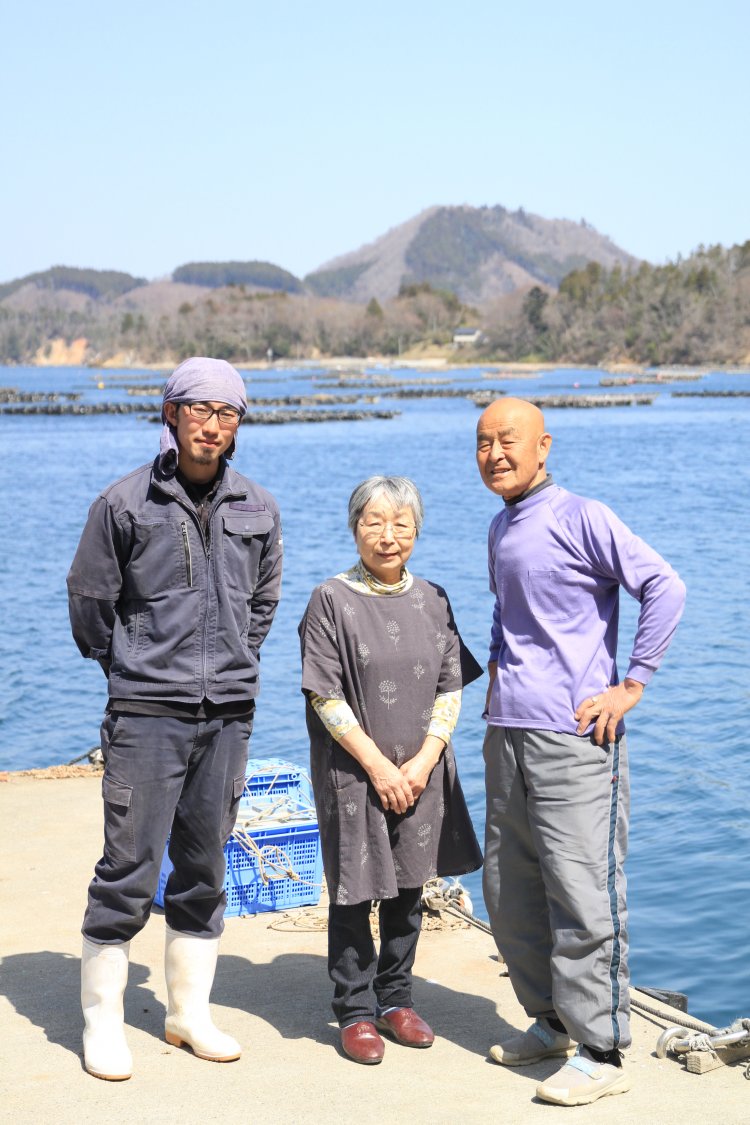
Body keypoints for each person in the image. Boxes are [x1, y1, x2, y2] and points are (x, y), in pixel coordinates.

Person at [67, 356, 282, 1081]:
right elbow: (89, 602)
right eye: (199, 409)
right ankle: (102, 1019)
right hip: (145, 714)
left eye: (227, 413)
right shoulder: (124, 503)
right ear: (171, 414)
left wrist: (234, 660)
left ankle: (188, 1013)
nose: (212, 424)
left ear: (238, 425)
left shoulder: (258, 504)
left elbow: (264, 600)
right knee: (127, 868)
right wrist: (131, 666)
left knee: (204, 864)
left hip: (226, 715)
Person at [476, 397, 686, 1106]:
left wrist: (631, 684)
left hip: (576, 737)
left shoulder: (581, 516)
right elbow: (509, 619)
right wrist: (500, 677)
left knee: (583, 893)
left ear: (544, 446)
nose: (495, 453)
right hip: (507, 734)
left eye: (509, 440)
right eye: (483, 443)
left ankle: (603, 1049)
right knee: (509, 890)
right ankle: (551, 1020)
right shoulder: (500, 527)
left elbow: (665, 585)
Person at [298, 476, 483, 1065]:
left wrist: (425, 760)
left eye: (401, 524)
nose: (387, 536)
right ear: (355, 528)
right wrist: (378, 766)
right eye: (374, 522)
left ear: (417, 531)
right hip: (355, 771)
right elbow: (325, 696)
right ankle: (354, 1009)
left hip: (423, 768)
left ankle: (396, 999)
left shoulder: (434, 598)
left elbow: (451, 686)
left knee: (408, 884)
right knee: (355, 888)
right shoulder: (331, 599)